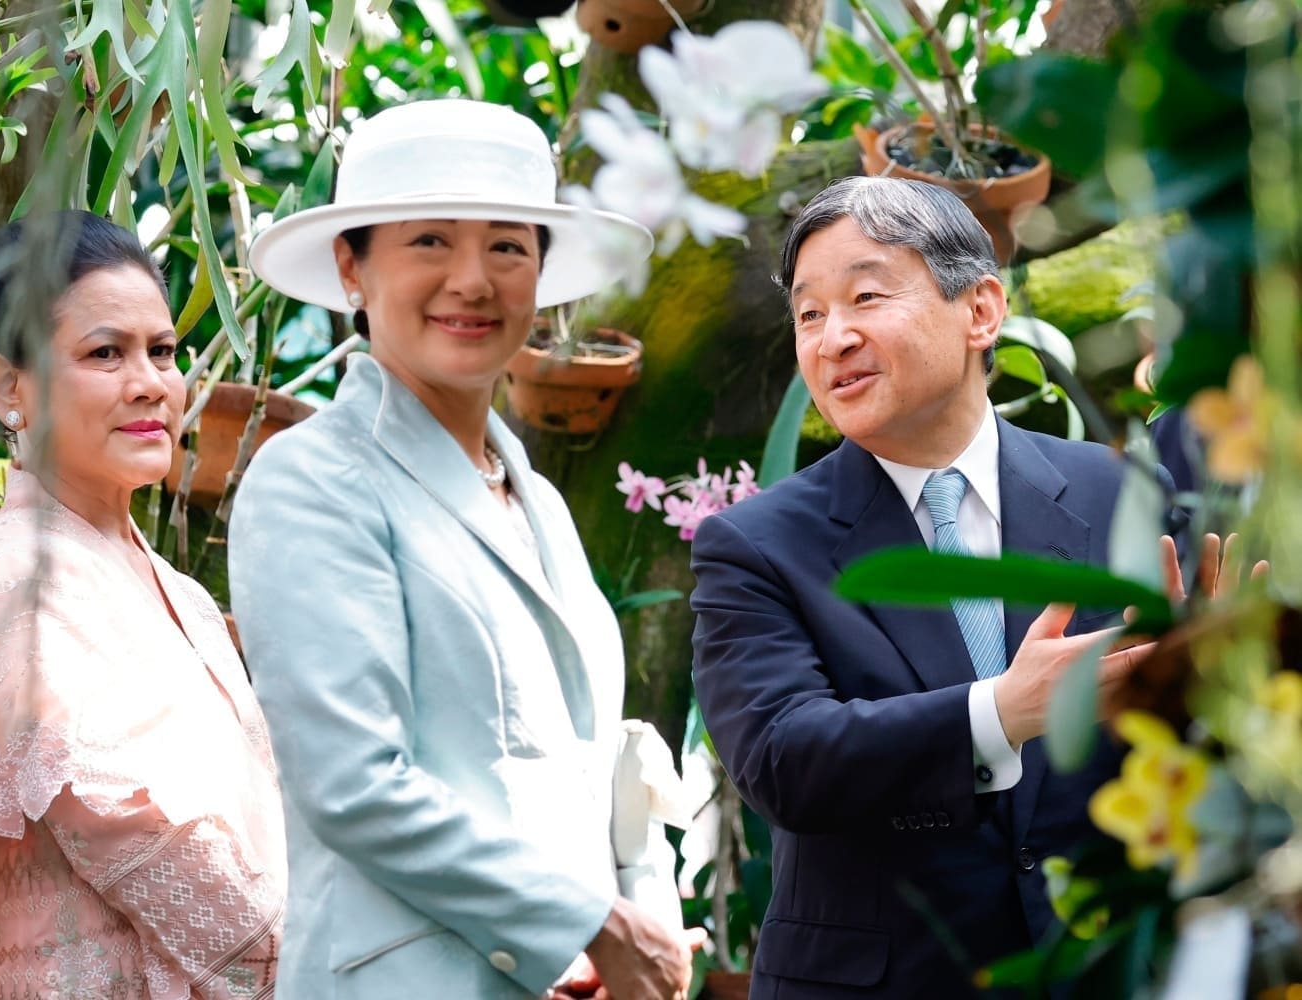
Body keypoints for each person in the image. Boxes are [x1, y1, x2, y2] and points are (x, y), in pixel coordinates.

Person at [229, 98, 701, 1000]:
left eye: (508, 247)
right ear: (351, 267)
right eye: (430, 242)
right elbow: (355, 785)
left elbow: (596, 761)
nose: (473, 281)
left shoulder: (539, 500)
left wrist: (638, 923)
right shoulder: (314, 479)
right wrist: (588, 926)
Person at [688, 176, 1164, 998]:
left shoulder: (1119, 495)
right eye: (808, 314)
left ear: (980, 310)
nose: (832, 338)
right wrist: (998, 714)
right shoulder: (755, 545)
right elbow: (783, 760)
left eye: (864, 296)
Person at [0, 211, 288, 999]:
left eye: (162, 350)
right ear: (9, 387)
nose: (150, 382)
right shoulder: (19, 587)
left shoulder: (181, 596)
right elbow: (159, 854)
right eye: (105, 353)